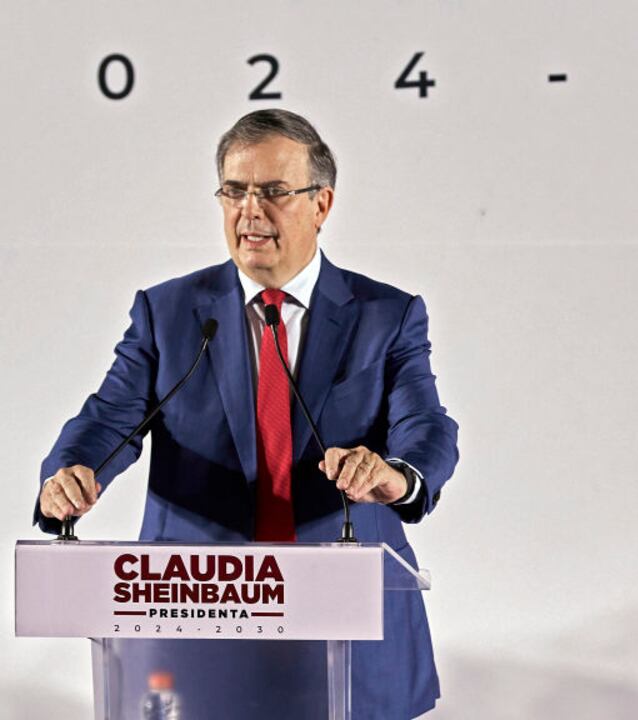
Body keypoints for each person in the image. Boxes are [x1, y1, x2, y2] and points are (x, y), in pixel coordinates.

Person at [33, 109, 459, 718]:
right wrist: (72, 471)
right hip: (197, 622)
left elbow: (426, 425)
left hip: (345, 624)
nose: (249, 210)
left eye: (274, 192)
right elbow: (110, 418)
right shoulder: (171, 310)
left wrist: (398, 474)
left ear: (322, 204)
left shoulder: (384, 315)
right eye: (235, 190)